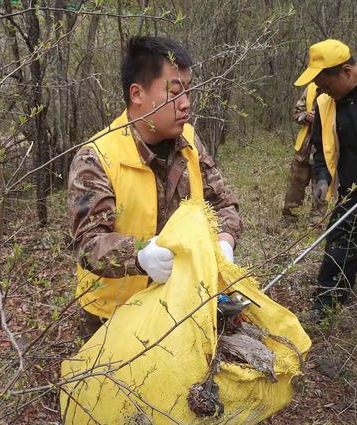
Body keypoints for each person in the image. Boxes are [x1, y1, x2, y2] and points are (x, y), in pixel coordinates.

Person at [68, 36, 243, 338]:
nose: (186, 103)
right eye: (174, 92)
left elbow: (224, 203)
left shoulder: (189, 140)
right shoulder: (96, 157)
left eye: (188, 90)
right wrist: (139, 255)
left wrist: (225, 242)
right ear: (137, 93)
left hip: (184, 303)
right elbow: (88, 244)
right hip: (114, 318)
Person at [294, 39, 357, 318]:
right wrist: (322, 178)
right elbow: (322, 149)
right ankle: (327, 303)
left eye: (327, 84)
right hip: (350, 189)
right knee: (340, 239)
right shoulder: (324, 104)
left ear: (346, 71)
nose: (323, 91)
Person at [282, 82, 327, 224]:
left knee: (321, 186)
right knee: (295, 185)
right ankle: (289, 219)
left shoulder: (336, 91)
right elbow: (296, 113)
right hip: (304, 149)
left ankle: (316, 222)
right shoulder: (311, 88)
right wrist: (306, 116)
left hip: (325, 150)